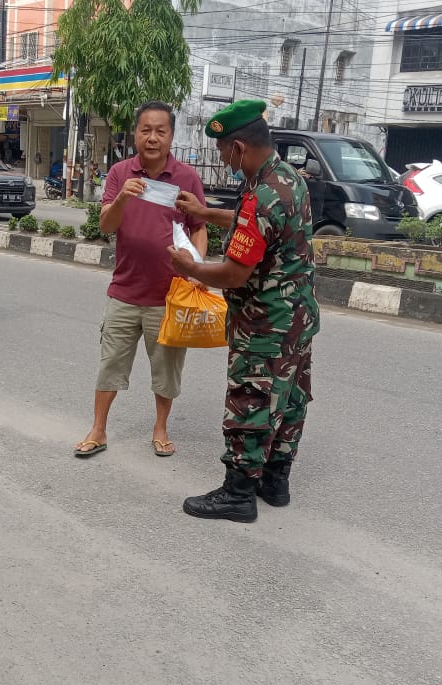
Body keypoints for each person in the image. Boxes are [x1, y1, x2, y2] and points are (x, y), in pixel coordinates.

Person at [169, 99, 319, 522]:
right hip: (297, 319)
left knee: (251, 401)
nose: (222, 160)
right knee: (288, 400)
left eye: (222, 151)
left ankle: (238, 493)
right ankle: (275, 482)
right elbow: (250, 224)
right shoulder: (288, 178)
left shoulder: (260, 196)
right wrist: (203, 213)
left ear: (238, 147)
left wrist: (190, 268)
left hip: (263, 325)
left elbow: (235, 274)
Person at [74, 101, 208, 459]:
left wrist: (197, 267)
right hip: (124, 292)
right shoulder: (120, 173)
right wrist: (121, 197)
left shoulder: (186, 177)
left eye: (160, 131)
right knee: (110, 365)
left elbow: (199, 228)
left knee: (166, 369)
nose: (152, 137)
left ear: (171, 136)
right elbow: (106, 225)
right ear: (135, 134)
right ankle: (98, 430)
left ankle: (160, 428)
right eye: (145, 130)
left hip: (169, 296)